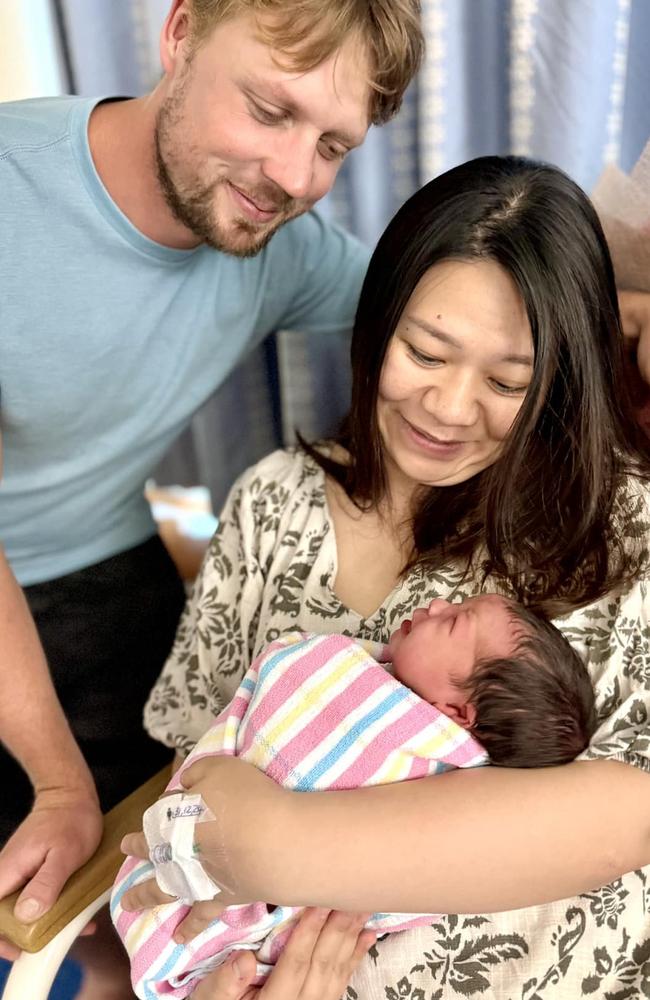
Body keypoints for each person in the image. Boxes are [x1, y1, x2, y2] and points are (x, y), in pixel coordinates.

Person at [120, 154, 650, 998]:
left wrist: (277, 843)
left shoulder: (623, 535)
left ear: (556, 383)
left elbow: (631, 810)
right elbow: (195, 791)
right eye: (425, 351)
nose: (446, 408)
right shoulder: (272, 506)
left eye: (508, 381)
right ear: (377, 324)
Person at [0, 0, 424, 995]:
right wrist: (60, 782)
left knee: (159, 881)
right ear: (180, 33)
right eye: (269, 110)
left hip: (108, 568)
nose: (293, 177)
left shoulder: (282, 246)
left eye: (331, 143)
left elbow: (451, 304)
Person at [114, 594, 595, 998]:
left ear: (456, 711)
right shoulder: (349, 669)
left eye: (452, 621)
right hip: (197, 846)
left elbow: (417, 871)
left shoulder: (454, 783)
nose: (435, 603)